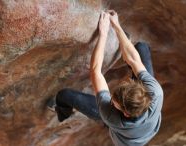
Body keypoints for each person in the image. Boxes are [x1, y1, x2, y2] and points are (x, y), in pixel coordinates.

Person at [47, 10, 163, 146]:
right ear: (139, 87)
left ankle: (63, 114)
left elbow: (96, 71)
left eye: (114, 103)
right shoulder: (155, 92)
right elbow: (134, 60)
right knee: (141, 48)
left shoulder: (111, 116)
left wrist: (103, 34)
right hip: (149, 129)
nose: (111, 101)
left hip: (126, 141)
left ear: (125, 113)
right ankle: (124, 49)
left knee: (64, 95)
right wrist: (116, 25)